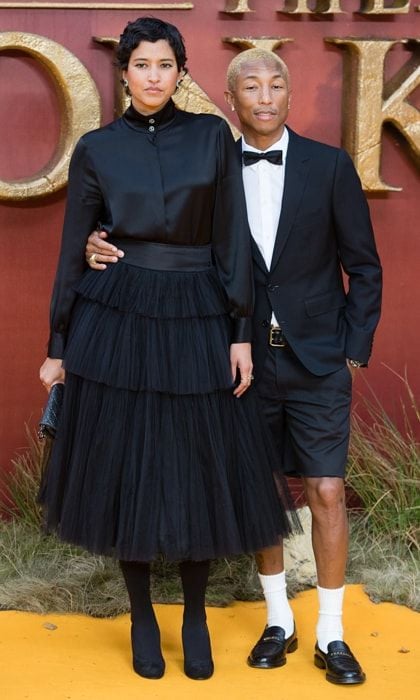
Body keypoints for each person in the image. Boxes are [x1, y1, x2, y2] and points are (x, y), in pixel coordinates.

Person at [86, 48, 382, 686]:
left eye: (278, 83)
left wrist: (353, 347)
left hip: (319, 360)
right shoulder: (209, 163)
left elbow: (366, 265)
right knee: (262, 491)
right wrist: (96, 239)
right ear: (231, 98)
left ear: (291, 93)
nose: (267, 95)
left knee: (326, 490)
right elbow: (161, 233)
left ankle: (331, 632)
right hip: (238, 358)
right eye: (252, 85)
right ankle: (279, 620)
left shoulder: (329, 167)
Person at [39, 23, 298, 683]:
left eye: (165, 65)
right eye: (141, 64)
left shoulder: (212, 136)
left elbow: (232, 239)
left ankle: (191, 613)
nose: (153, 76)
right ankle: (142, 614)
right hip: (117, 319)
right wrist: (58, 345)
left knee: (197, 468)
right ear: (123, 72)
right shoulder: (96, 149)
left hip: (197, 315)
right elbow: (76, 248)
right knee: (123, 469)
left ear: (182, 72)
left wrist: (242, 331)